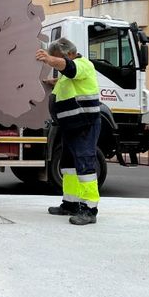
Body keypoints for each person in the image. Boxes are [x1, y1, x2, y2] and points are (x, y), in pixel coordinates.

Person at [35, 38, 101, 225]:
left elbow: (70, 69)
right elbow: (68, 78)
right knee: (69, 165)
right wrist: (53, 81)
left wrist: (48, 59)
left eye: (58, 59)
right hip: (71, 125)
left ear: (69, 54)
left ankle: (90, 209)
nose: (56, 63)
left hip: (84, 124)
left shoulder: (82, 64)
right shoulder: (69, 72)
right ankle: (70, 203)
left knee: (85, 164)